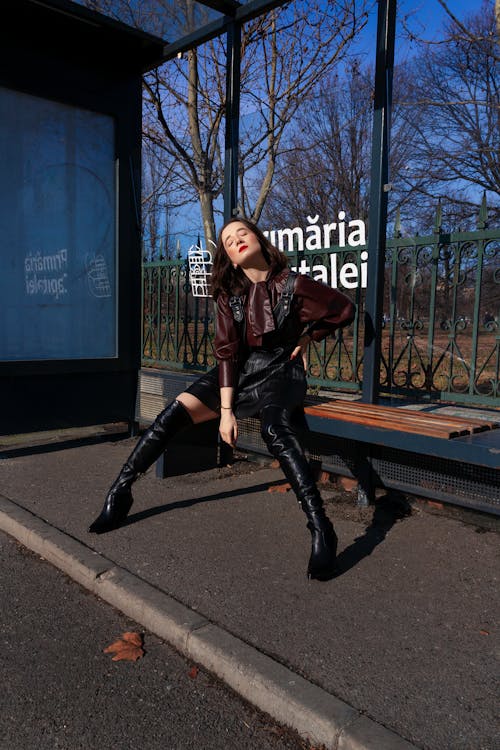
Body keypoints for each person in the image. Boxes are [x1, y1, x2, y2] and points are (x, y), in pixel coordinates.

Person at [89, 218, 355, 580]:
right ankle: (120, 492)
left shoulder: (295, 285)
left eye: (242, 233)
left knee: (274, 429)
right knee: (172, 413)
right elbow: (227, 354)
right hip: (238, 372)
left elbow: (343, 309)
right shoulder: (230, 296)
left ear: (259, 240)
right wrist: (226, 411)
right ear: (229, 258)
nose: (237, 240)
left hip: (281, 371)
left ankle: (321, 526)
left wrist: (309, 337)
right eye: (229, 240)